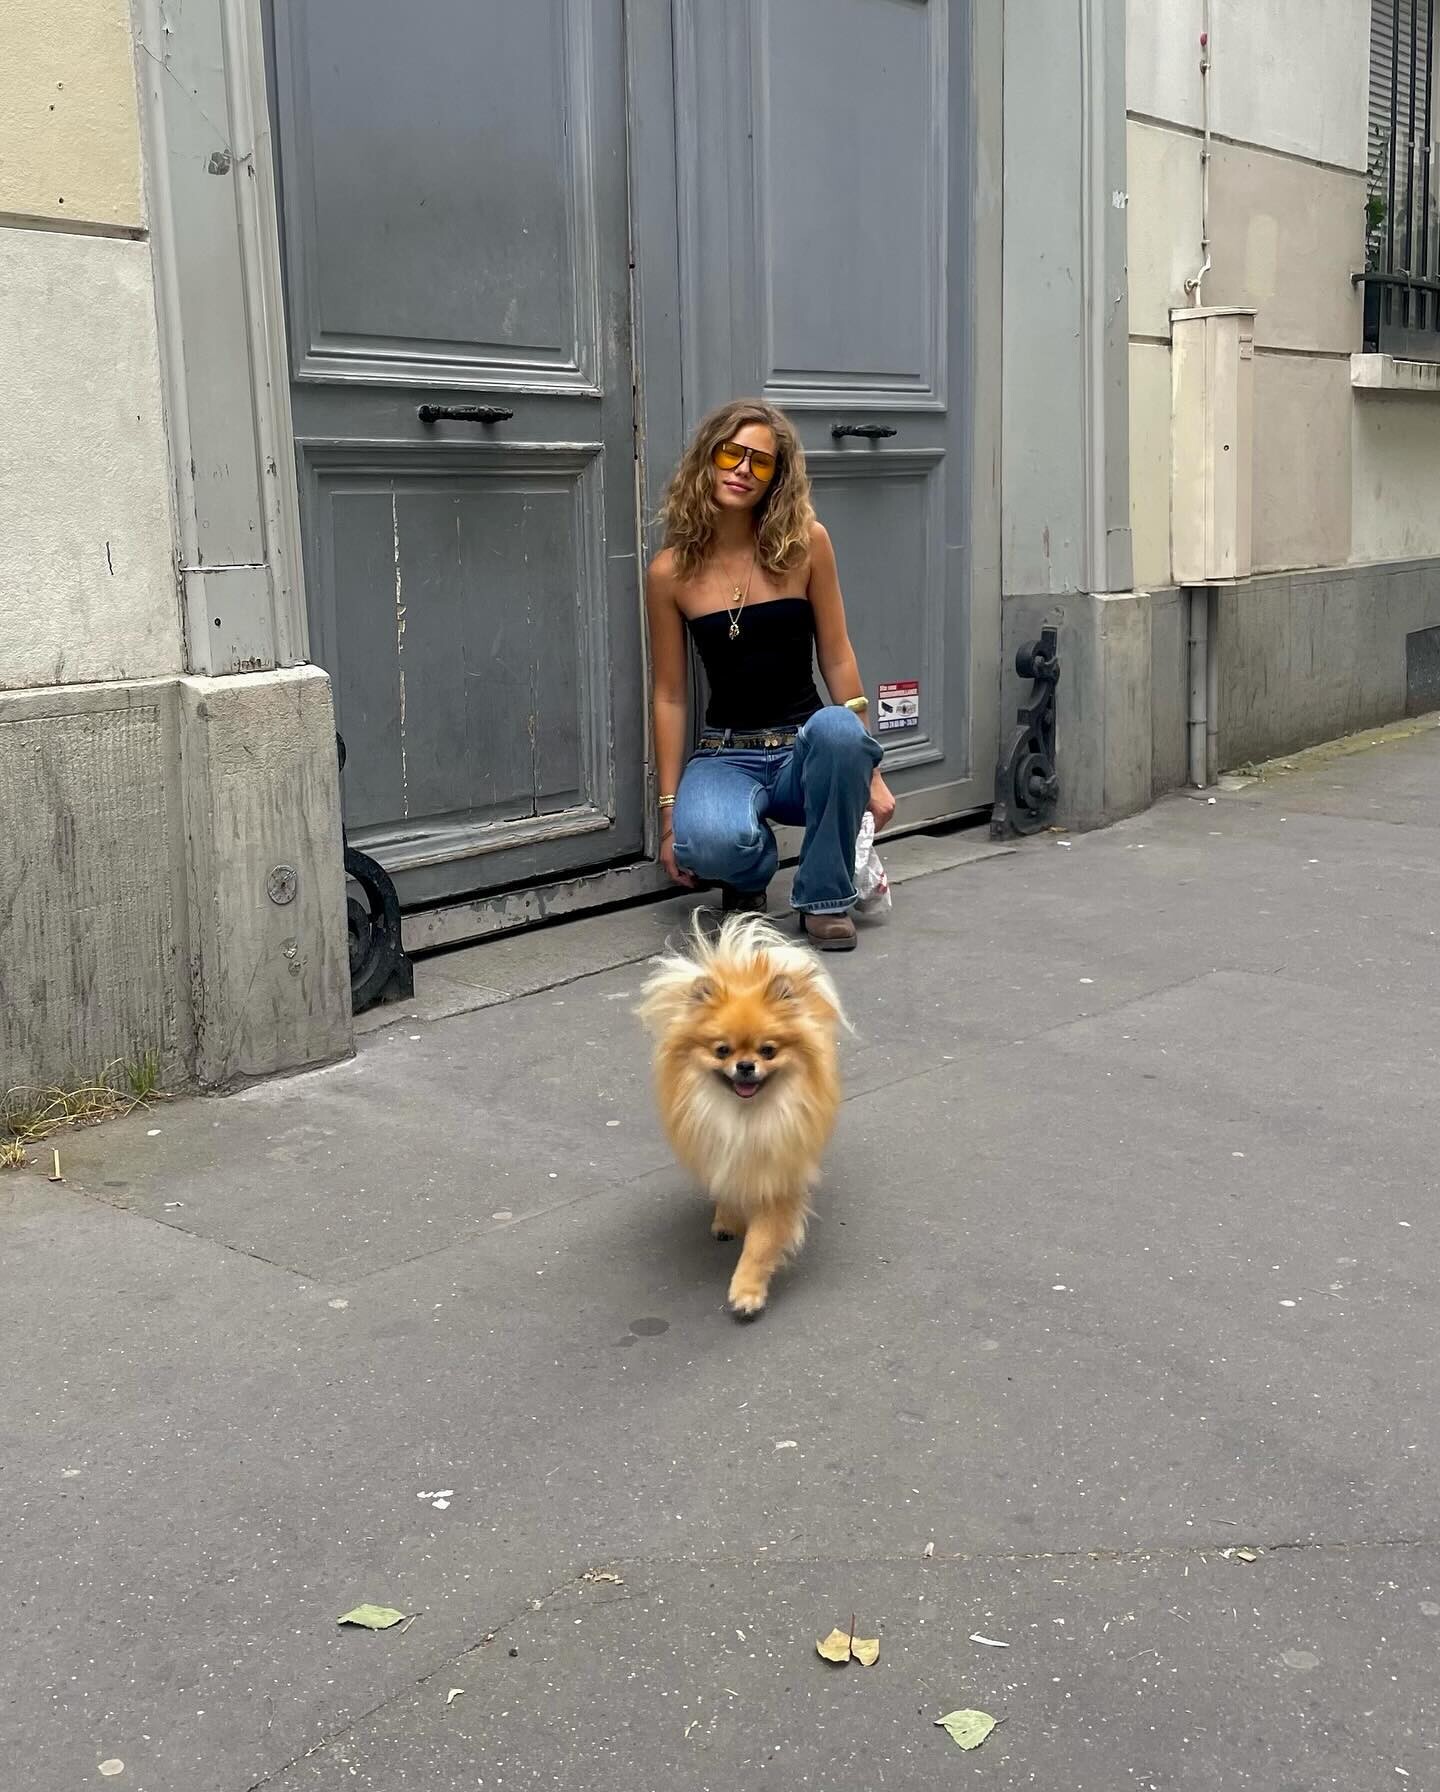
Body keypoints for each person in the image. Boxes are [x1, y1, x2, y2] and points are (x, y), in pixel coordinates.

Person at [645, 398, 895, 951]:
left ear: (776, 477)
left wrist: (870, 772)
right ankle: (748, 876)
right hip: (726, 752)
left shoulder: (806, 544)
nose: (742, 470)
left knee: (839, 730)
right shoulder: (669, 572)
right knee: (705, 843)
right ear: (707, 458)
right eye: (730, 454)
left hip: (806, 749)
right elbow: (670, 696)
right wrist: (668, 814)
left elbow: (837, 656)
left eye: (760, 462)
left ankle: (824, 899)